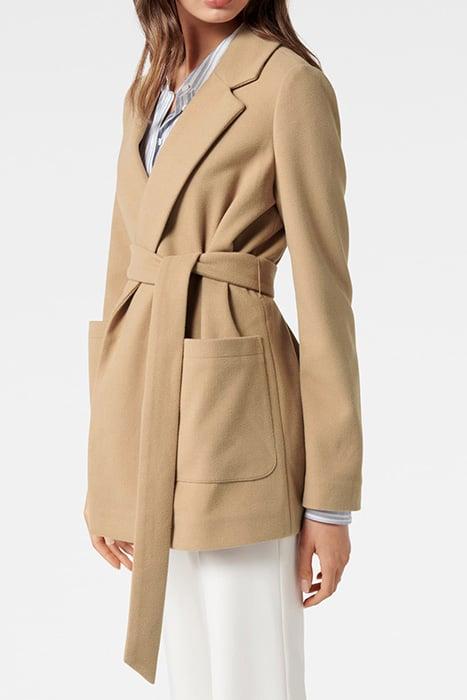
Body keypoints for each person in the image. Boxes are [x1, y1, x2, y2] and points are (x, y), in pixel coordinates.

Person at [84, 1, 363, 697]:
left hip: (238, 419)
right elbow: (122, 287)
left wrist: (329, 504)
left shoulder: (289, 85)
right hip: (152, 424)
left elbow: (326, 295)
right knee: (191, 676)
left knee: (252, 676)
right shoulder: (147, 92)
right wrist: (108, 473)